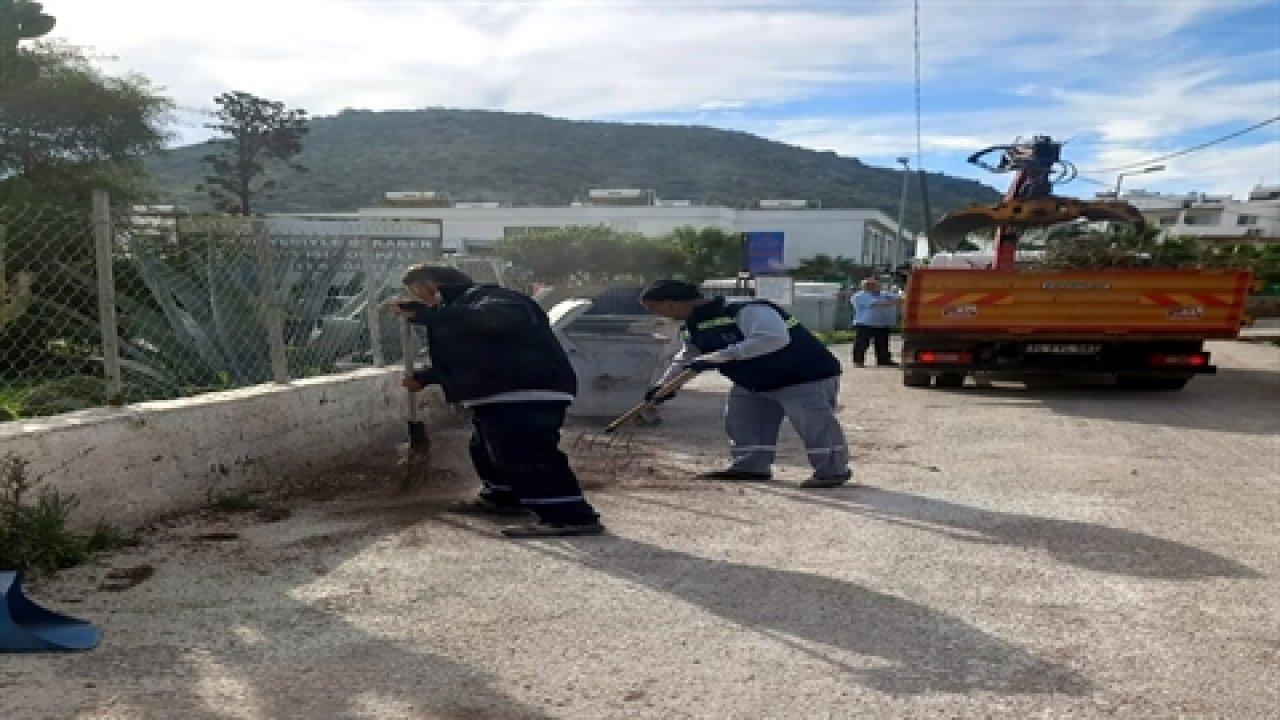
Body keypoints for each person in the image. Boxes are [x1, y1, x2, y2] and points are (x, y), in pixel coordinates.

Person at [392, 264, 603, 537]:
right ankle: (503, 497)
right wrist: (428, 377)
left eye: (420, 295)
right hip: (503, 390)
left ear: (430, 287)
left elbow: (498, 321)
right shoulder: (461, 310)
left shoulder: (496, 299)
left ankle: (569, 515)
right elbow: (476, 356)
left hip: (527, 388)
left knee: (526, 452)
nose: (423, 302)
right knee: (486, 448)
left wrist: (431, 314)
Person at [639, 279, 851, 488]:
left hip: (802, 375)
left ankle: (832, 471)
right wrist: (664, 385)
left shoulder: (746, 309)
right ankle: (751, 466)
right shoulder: (692, 325)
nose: (660, 315)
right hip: (754, 380)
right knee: (743, 421)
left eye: (657, 309)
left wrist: (722, 355)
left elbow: (773, 339)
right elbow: (688, 357)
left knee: (815, 425)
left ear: (671, 304)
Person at [850, 278, 901, 368]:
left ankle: (884, 360)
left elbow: (899, 299)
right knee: (862, 344)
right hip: (865, 324)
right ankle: (858, 361)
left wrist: (895, 300)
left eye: (876, 284)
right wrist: (892, 302)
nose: (876, 286)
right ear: (865, 286)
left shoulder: (884, 294)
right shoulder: (860, 296)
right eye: (871, 285)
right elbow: (877, 304)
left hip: (883, 323)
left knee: (882, 344)